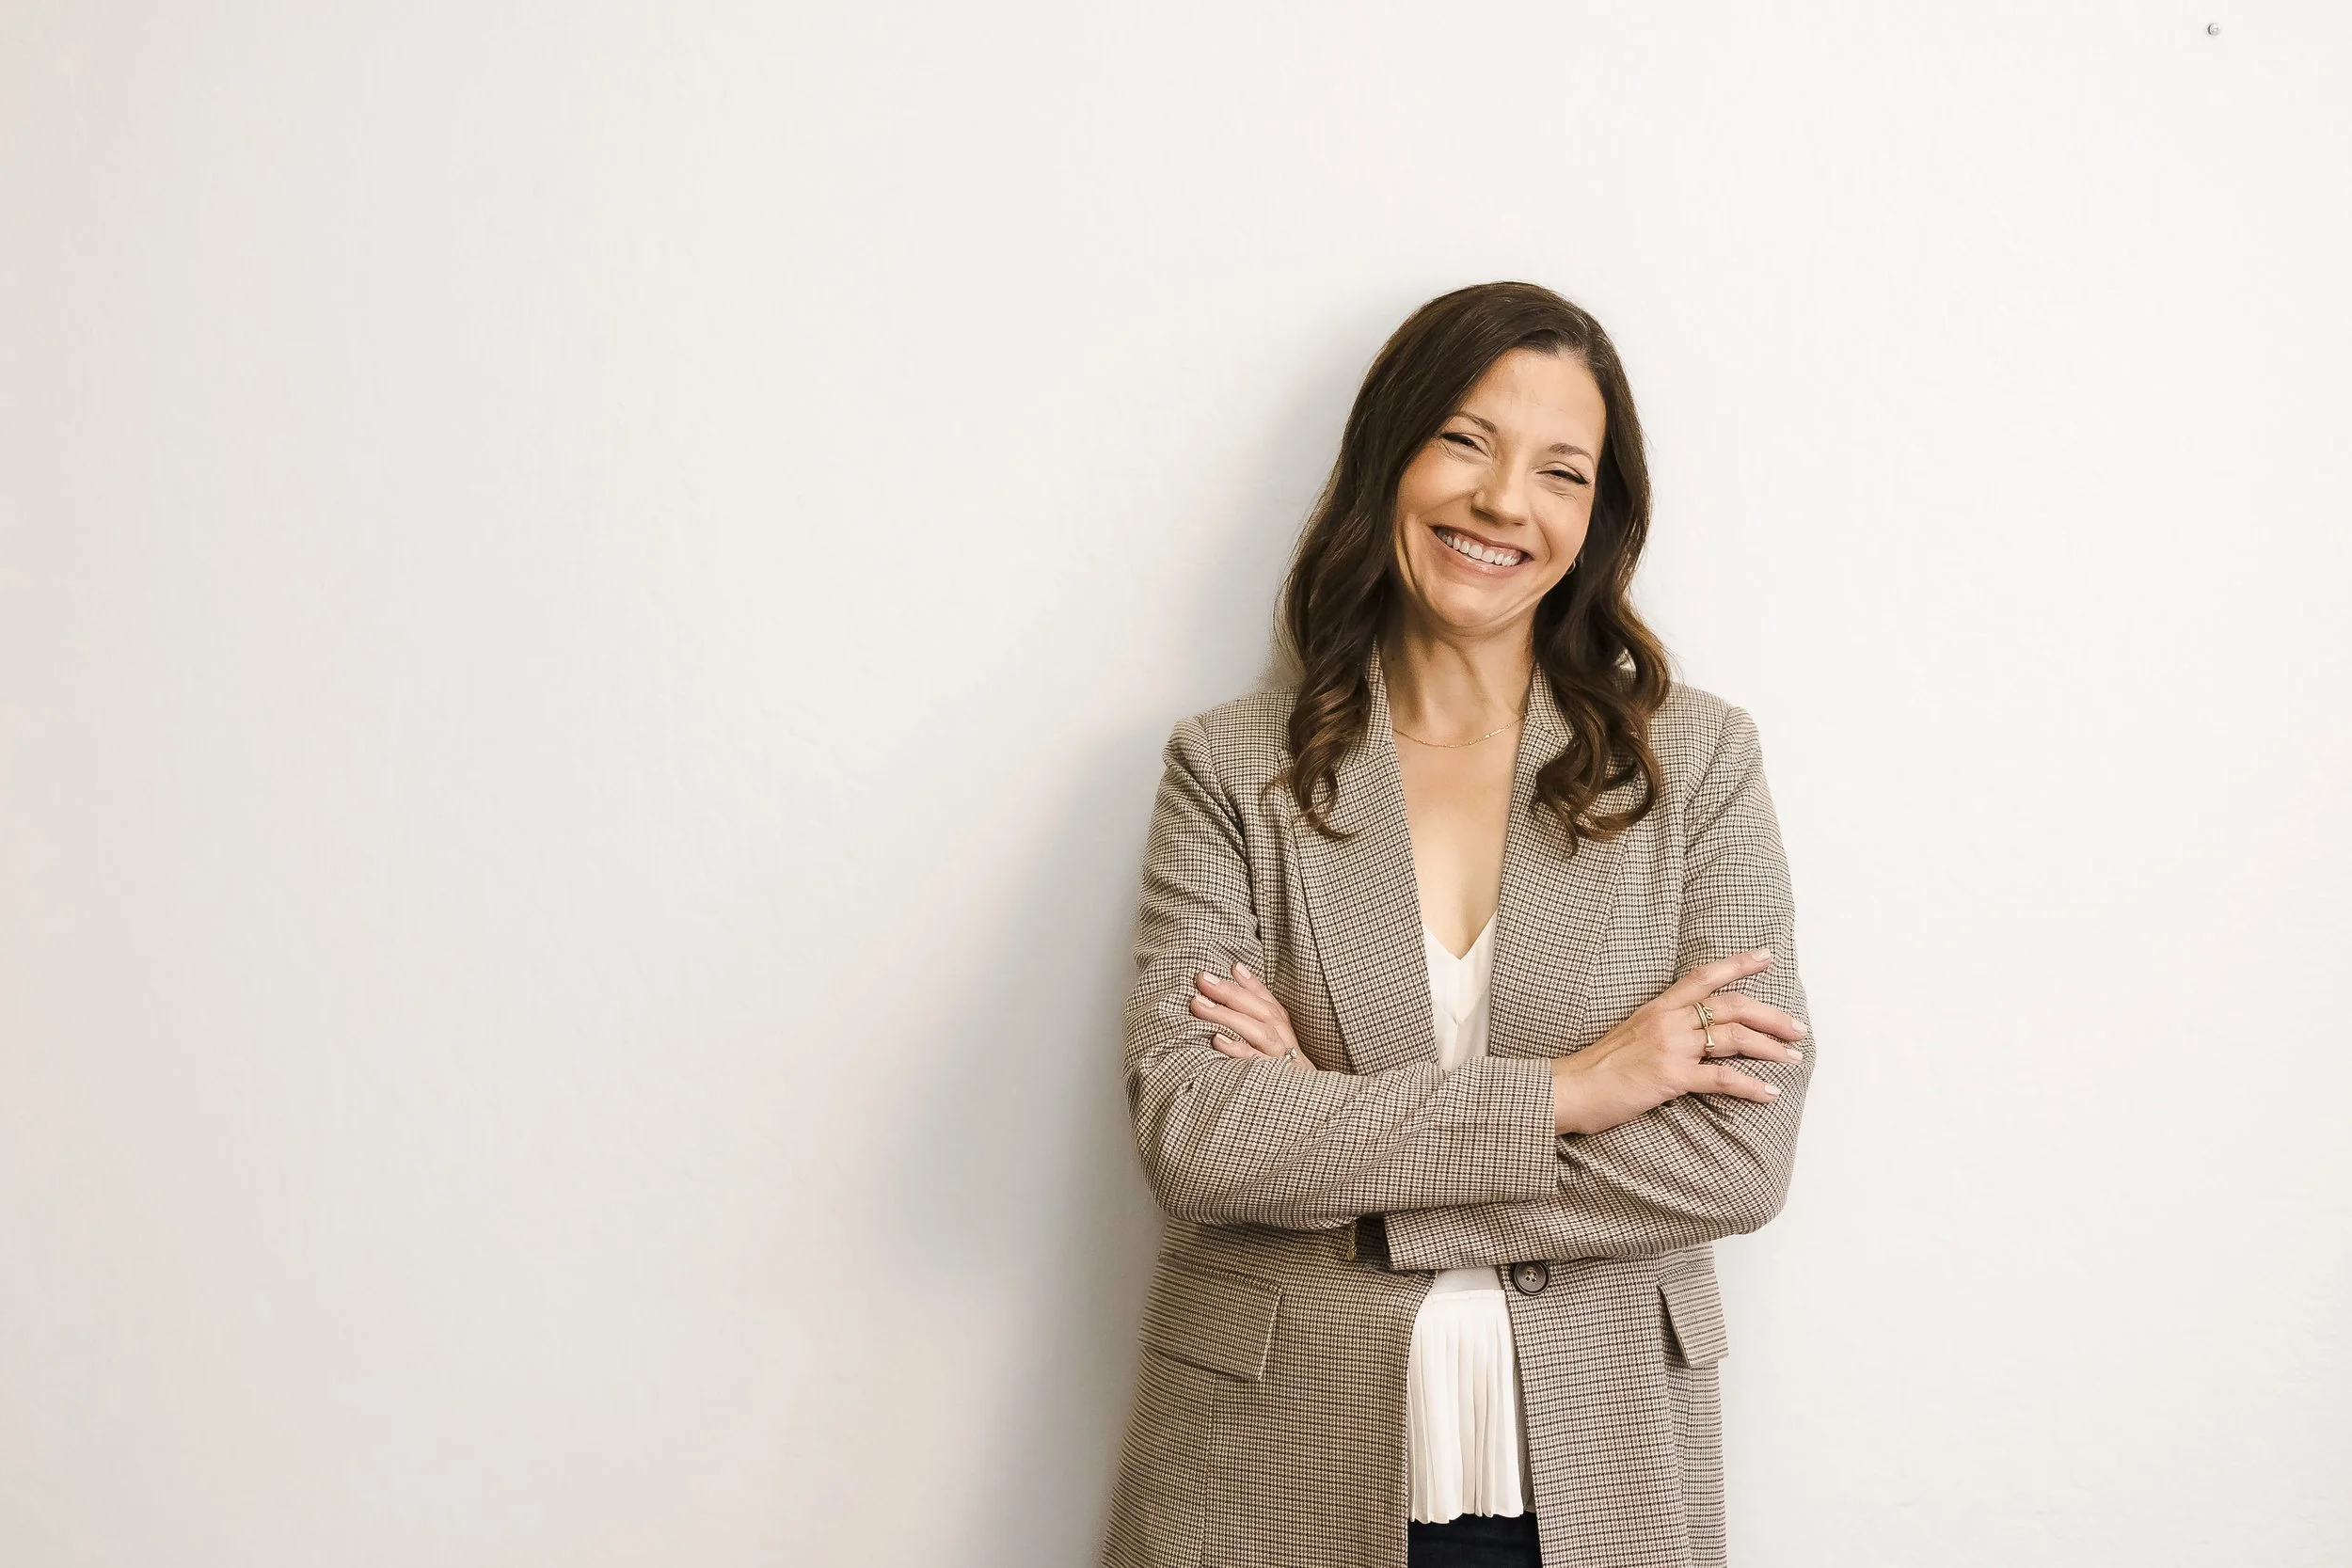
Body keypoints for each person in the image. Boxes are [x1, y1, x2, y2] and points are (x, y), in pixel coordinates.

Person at [1097, 281, 1815, 1568]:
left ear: (1597, 518)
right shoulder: (1233, 768)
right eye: (1467, 441)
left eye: (1561, 470)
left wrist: (1346, 1159)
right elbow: (1199, 1134)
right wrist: (1575, 1091)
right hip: (1271, 1468)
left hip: (1605, 1472)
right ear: (1392, 457)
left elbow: (1733, 1158)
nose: (1504, 502)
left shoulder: (1695, 764)